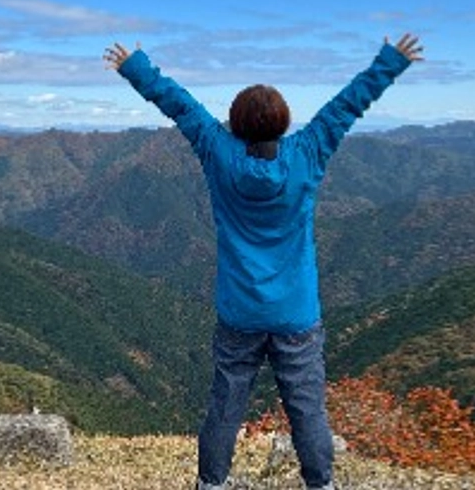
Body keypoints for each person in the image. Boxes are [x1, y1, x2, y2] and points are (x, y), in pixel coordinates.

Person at [104, 33, 424, 490]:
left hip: (240, 311)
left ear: (235, 122)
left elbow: (180, 106)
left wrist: (133, 66)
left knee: (226, 404)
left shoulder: (218, 151)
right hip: (296, 312)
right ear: (284, 120)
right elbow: (347, 106)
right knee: (307, 409)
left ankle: (211, 484)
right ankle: (321, 484)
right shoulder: (307, 153)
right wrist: (390, 62)